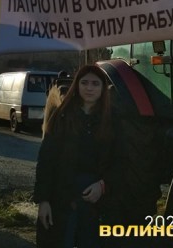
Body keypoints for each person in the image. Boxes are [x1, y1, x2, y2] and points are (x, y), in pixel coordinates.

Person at [34, 64, 115, 248]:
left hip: (95, 201)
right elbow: (46, 161)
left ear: (103, 88)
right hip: (62, 197)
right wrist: (43, 201)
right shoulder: (62, 117)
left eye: (95, 84)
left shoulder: (111, 121)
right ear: (77, 85)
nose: (89, 88)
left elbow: (118, 162)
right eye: (84, 83)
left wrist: (103, 185)